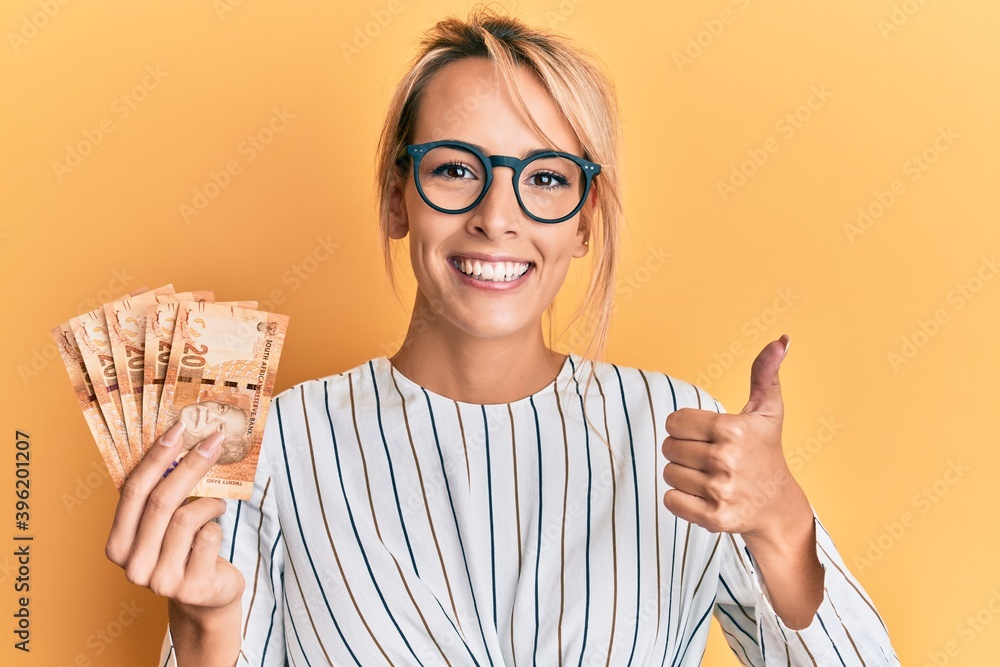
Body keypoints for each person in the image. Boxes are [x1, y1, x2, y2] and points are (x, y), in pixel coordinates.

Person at [104, 6, 900, 665]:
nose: (497, 214)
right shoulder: (273, 445)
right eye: (455, 168)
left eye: (546, 177)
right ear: (396, 196)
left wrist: (785, 522)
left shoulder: (680, 438)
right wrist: (202, 623)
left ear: (585, 222)